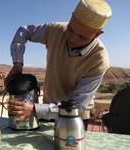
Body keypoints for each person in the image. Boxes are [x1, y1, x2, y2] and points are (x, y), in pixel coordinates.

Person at [7, 0, 112, 129]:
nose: (73, 38)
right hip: (45, 111)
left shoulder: (99, 60)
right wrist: (17, 63)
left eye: (81, 37)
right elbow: (23, 31)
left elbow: (77, 105)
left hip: (74, 119)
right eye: (71, 29)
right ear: (71, 16)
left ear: (97, 34)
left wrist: (35, 109)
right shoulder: (56, 30)